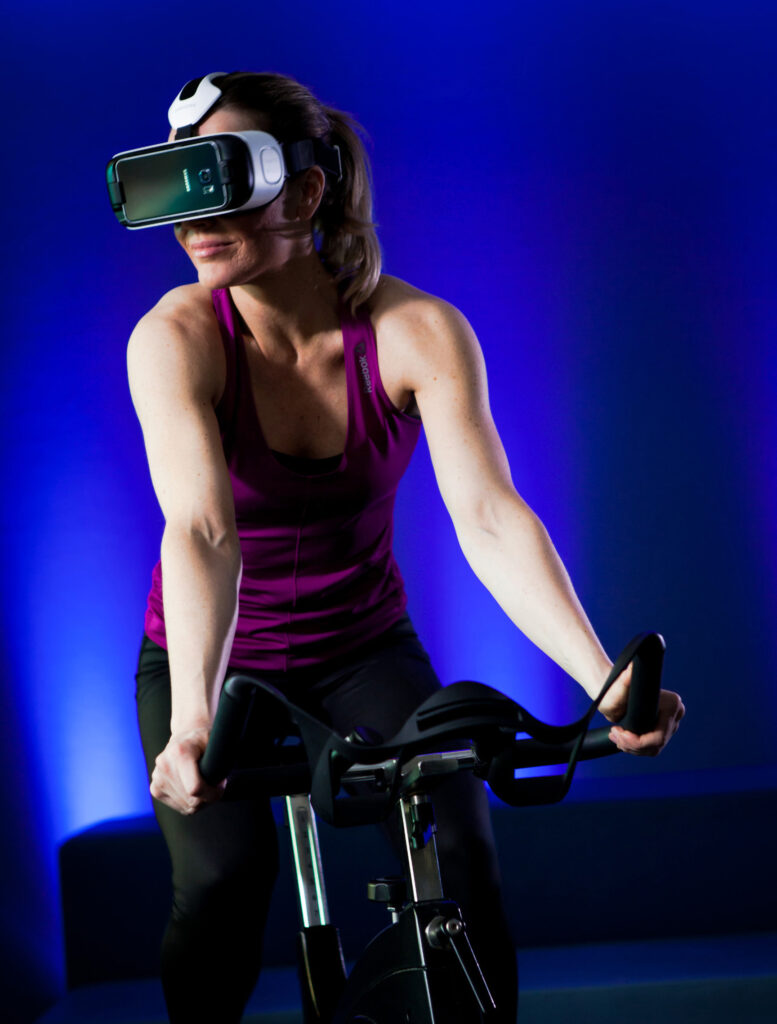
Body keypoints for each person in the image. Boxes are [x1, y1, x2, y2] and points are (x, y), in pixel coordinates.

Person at [129, 71, 685, 1024]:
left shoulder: (415, 330)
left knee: (462, 852)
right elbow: (204, 531)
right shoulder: (176, 338)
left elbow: (491, 517)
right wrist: (190, 728)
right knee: (223, 880)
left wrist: (603, 682)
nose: (196, 219)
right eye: (180, 186)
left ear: (305, 192)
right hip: (211, 662)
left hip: (361, 650)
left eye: (225, 182)